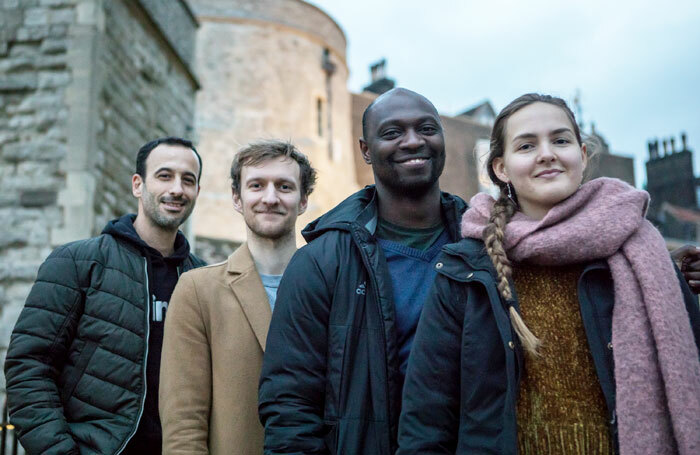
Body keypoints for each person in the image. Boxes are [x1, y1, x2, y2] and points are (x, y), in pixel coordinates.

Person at [397, 94, 700, 455]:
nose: (547, 153)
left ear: (583, 156)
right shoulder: (463, 271)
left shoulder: (645, 256)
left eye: (560, 140)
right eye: (526, 145)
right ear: (501, 168)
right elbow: (427, 423)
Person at [258, 88, 467, 454]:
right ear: (365, 150)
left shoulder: (485, 250)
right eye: (392, 133)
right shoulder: (320, 263)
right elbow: (290, 406)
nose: (413, 141)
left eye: (427, 129)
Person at [4, 137, 206, 455]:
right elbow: (29, 365)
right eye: (164, 176)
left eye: (188, 180)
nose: (177, 189)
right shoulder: (77, 262)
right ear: (138, 185)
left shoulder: (203, 281)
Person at [159, 140, 316, 454]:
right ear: (237, 198)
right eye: (256, 185)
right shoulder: (197, 290)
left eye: (284, 187)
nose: (270, 198)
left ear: (302, 201)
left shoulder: (330, 287)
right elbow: (184, 425)